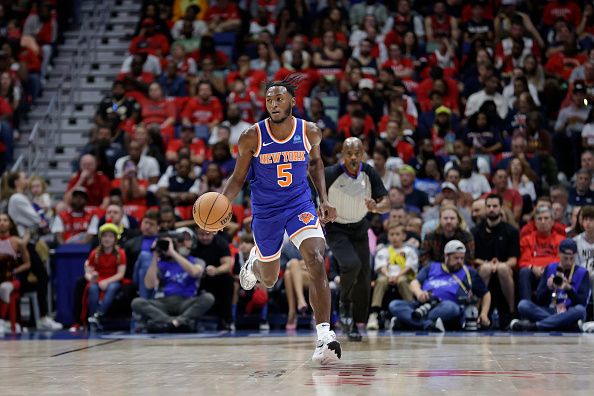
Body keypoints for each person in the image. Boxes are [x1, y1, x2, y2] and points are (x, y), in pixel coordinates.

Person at [220, 76, 341, 364]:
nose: (273, 104)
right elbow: (238, 178)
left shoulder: (309, 131)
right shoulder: (252, 136)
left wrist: (323, 199)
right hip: (266, 210)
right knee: (271, 278)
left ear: (292, 102)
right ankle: (254, 261)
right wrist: (221, 206)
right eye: (269, 100)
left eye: (279, 99)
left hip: (299, 203)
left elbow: (315, 164)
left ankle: (324, 335)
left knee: (315, 256)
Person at [324, 136, 390, 341]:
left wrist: (376, 207)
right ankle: (344, 305)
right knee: (351, 264)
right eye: (349, 153)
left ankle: (354, 322)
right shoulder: (330, 173)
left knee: (364, 276)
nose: (353, 157)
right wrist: (319, 207)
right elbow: (310, 191)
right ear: (342, 155)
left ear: (363, 154)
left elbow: (386, 202)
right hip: (337, 229)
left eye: (357, 153)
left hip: (360, 227)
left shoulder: (369, 172)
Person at [389, 240, 491, 332]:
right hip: (424, 304)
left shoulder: (468, 272)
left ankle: (408, 321)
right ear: (446, 256)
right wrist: (419, 293)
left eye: (462, 258)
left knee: (451, 308)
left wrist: (484, 313)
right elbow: (414, 283)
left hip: (445, 306)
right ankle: (427, 325)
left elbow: (486, 294)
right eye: (456, 258)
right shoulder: (432, 267)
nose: (459, 261)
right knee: (394, 305)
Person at [131, 229, 215, 333]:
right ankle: (174, 322)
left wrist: (173, 253)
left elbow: (194, 272)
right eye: (178, 242)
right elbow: (149, 285)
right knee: (137, 302)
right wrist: (155, 255)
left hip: (186, 301)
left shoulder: (196, 260)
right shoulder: (161, 263)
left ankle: (172, 321)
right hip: (164, 302)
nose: (181, 244)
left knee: (208, 298)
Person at [512, 239, 591, 332]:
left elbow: (582, 302)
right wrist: (548, 288)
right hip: (550, 309)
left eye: (572, 258)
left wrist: (569, 290)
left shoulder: (583, 273)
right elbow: (539, 299)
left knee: (580, 310)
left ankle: (536, 326)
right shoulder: (550, 268)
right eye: (565, 258)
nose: (569, 262)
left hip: (569, 311)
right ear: (559, 254)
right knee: (523, 305)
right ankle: (567, 326)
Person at [472, 194, 519, 327]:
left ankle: (511, 312)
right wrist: (486, 263)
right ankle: (478, 312)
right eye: (489, 206)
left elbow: (514, 260)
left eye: (495, 206)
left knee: (503, 269)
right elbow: (472, 258)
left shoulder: (511, 231)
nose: (491, 209)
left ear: (501, 208)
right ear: (485, 208)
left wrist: (499, 265)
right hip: (482, 268)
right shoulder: (475, 231)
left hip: (504, 269)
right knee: (486, 269)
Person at [367, 223, 418, 330]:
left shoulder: (410, 251)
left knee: (402, 280)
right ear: (388, 236)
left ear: (404, 236)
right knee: (380, 280)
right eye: (392, 234)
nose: (394, 237)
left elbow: (409, 267)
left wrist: (397, 276)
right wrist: (389, 276)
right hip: (388, 276)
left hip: (404, 277)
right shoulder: (383, 250)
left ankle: (411, 308)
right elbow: (382, 267)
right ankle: (374, 315)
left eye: (397, 234)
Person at [518, 206, 565, 301]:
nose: (543, 222)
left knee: (559, 270)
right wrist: (533, 267)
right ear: (535, 222)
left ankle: (556, 306)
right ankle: (525, 308)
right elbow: (523, 261)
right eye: (539, 219)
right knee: (524, 272)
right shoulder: (526, 240)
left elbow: (560, 259)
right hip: (534, 274)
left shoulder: (561, 240)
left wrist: (547, 268)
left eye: (546, 218)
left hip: (552, 273)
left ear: (552, 222)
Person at [84, 223, 126, 329]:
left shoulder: (120, 253)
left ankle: (99, 314)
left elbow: (121, 274)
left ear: (115, 239)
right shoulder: (95, 253)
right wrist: (92, 278)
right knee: (92, 288)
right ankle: (92, 316)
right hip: (99, 279)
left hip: (113, 279)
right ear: (100, 238)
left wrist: (107, 281)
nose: (107, 239)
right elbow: (88, 272)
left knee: (112, 288)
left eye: (110, 236)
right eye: (105, 236)